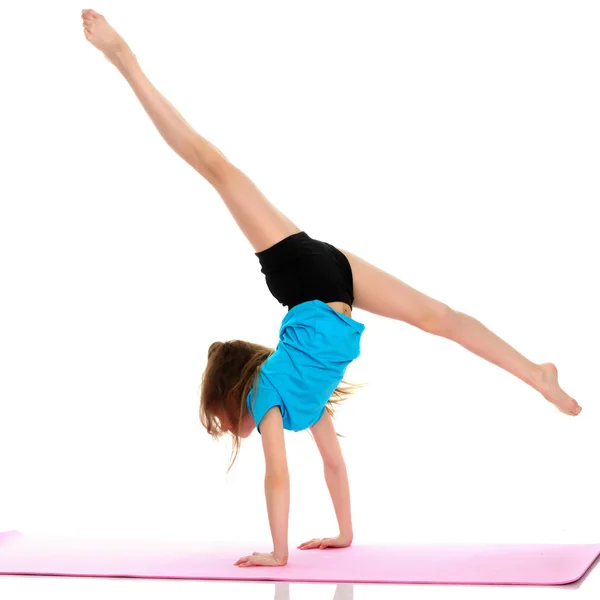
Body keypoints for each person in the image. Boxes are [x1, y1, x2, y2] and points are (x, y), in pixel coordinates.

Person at [81, 9, 583, 568]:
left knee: (213, 166)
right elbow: (334, 466)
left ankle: (123, 58)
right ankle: (536, 374)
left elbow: (278, 475)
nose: (229, 429)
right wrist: (344, 535)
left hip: (303, 277)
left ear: (234, 392)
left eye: (221, 418)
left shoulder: (268, 396)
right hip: (332, 279)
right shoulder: (304, 402)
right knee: (439, 317)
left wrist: (278, 553)